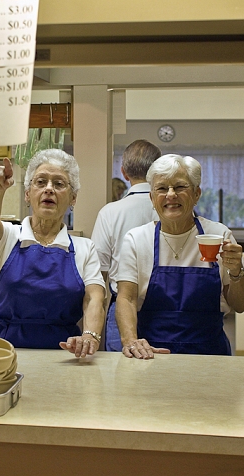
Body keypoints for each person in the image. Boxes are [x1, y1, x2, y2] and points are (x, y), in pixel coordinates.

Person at [115, 154, 244, 359]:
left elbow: (239, 305)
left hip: (210, 356)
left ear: (196, 194)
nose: (170, 195)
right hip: (152, 355)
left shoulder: (219, 235)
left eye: (179, 187)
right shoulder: (137, 239)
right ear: (152, 198)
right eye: (161, 188)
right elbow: (126, 298)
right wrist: (130, 340)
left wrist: (236, 271)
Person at [0, 149, 106, 358]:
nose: (49, 189)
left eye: (59, 184)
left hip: (63, 354)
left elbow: (94, 298)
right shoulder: (8, 236)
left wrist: (90, 335)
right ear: (28, 194)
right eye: (40, 182)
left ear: (73, 198)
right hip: (1, 353)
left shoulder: (84, 248)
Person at [91, 140, 162, 351]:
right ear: (158, 170)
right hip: (166, 310)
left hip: (119, 309)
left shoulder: (110, 213)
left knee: (122, 379)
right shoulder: (174, 208)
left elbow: (98, 272)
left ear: (124, 172)